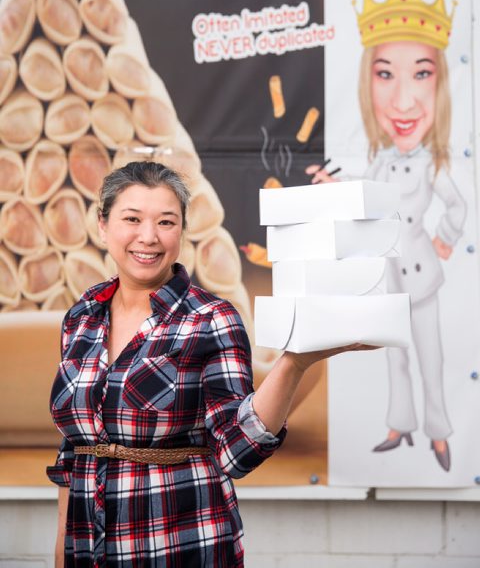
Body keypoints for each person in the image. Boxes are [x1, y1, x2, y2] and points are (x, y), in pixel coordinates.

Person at [48, 160, 375, 567]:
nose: (147, 237)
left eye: (166, 222)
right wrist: (61, 550)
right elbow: (74, 450)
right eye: (131, 219)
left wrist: (293, 364)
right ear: (103, 225)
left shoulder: (212, 318)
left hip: (182, 543)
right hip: (89, 549)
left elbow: (237, 452)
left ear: (182, 231)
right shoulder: (82, 317)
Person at [308, 0, 466, 472]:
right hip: (386, 272)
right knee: (393, 354)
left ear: (439, 85)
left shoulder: (432, 161)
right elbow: (362, 189)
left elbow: (456, 204)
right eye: (385, 74)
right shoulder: (378, 158)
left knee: (431, 356)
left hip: (421, 271)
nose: (403, 98)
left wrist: (444, 239)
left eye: (421, 73)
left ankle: (440, 433)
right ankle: (400, 425)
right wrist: (332, 186)